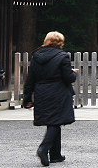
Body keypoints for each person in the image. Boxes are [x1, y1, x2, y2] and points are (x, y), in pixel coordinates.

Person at [22, 31, 78, 166]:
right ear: (60, 43)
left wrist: (27, 97)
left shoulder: (36, 56)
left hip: (41, 92)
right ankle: (44, 148)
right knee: (56, 121)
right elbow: (68, 77)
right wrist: (73, 73)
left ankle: (55, 155)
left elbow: (30, 79)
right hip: (58, 92)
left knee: (53, 121)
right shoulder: (63, 56)